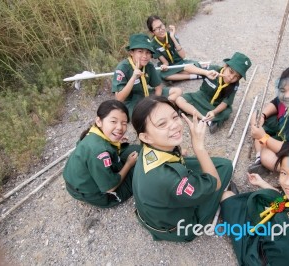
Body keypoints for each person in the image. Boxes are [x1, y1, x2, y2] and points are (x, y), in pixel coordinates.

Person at [131, 96, 232, 242]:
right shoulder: (171, 179)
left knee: (221, 165)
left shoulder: (148, 148)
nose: (174, 125)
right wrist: (199, 147)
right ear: (146, 137)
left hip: (153, 213)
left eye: (174, 117)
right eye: (162, 124)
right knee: (225, 169)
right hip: (178, 229)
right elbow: (215, 183)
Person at [221, 145, 289, 266]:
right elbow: (284, 200)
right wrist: (262, 183)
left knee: (227, 197)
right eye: (284, 173)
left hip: (258, 255)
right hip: (266, 231)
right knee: (234, 198)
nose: (287, 182)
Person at [63, 100, 140, 208]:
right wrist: (128, 164)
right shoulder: (99, 151)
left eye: (124, 123)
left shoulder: (92, 132)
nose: (120, 127)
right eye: (113, 121)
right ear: (99, 121)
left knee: (134, 149)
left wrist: (115, 140)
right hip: (95, 194)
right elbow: (110, 188)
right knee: (139, 165)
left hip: (76, 185)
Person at [175, 52, 252, 134]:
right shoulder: (213, 69)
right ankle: (204, 119)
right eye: (231, 71)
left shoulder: (235, 85)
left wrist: (214, 112)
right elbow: (187, 67)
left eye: (237, 77)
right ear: (225, 66)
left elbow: (225, 102)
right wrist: (205, 72)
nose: (231, 77)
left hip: (215, 105)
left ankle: (190, 111)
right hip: (200, 97)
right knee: (179, 99)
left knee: (227, 112)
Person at [111, 33, 182, 116]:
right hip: (131, 101)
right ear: (131, 52)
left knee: (177, 91)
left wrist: (156, 102)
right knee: (142, 115)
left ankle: (159, 108)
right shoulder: (122, 68)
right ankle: (163, 109)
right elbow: (119, 99)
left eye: (148, 52)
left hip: (145, 94)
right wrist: (134, 77)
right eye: (140, 51)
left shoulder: (149, 66)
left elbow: (158, 87)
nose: (145, 56)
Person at [147, 15, 202, 81]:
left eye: (161, 26)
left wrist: (173, 37)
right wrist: (164, 66)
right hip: (170, 66)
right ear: (152, 32)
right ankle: (193, 76)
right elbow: (165, 63)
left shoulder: (170, 35)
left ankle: (200, 73)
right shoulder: (153, 44)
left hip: (180, 62)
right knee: (162, 75)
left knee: (188, 66)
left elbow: (183, 56)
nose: (161, 30)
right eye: (157, 28)